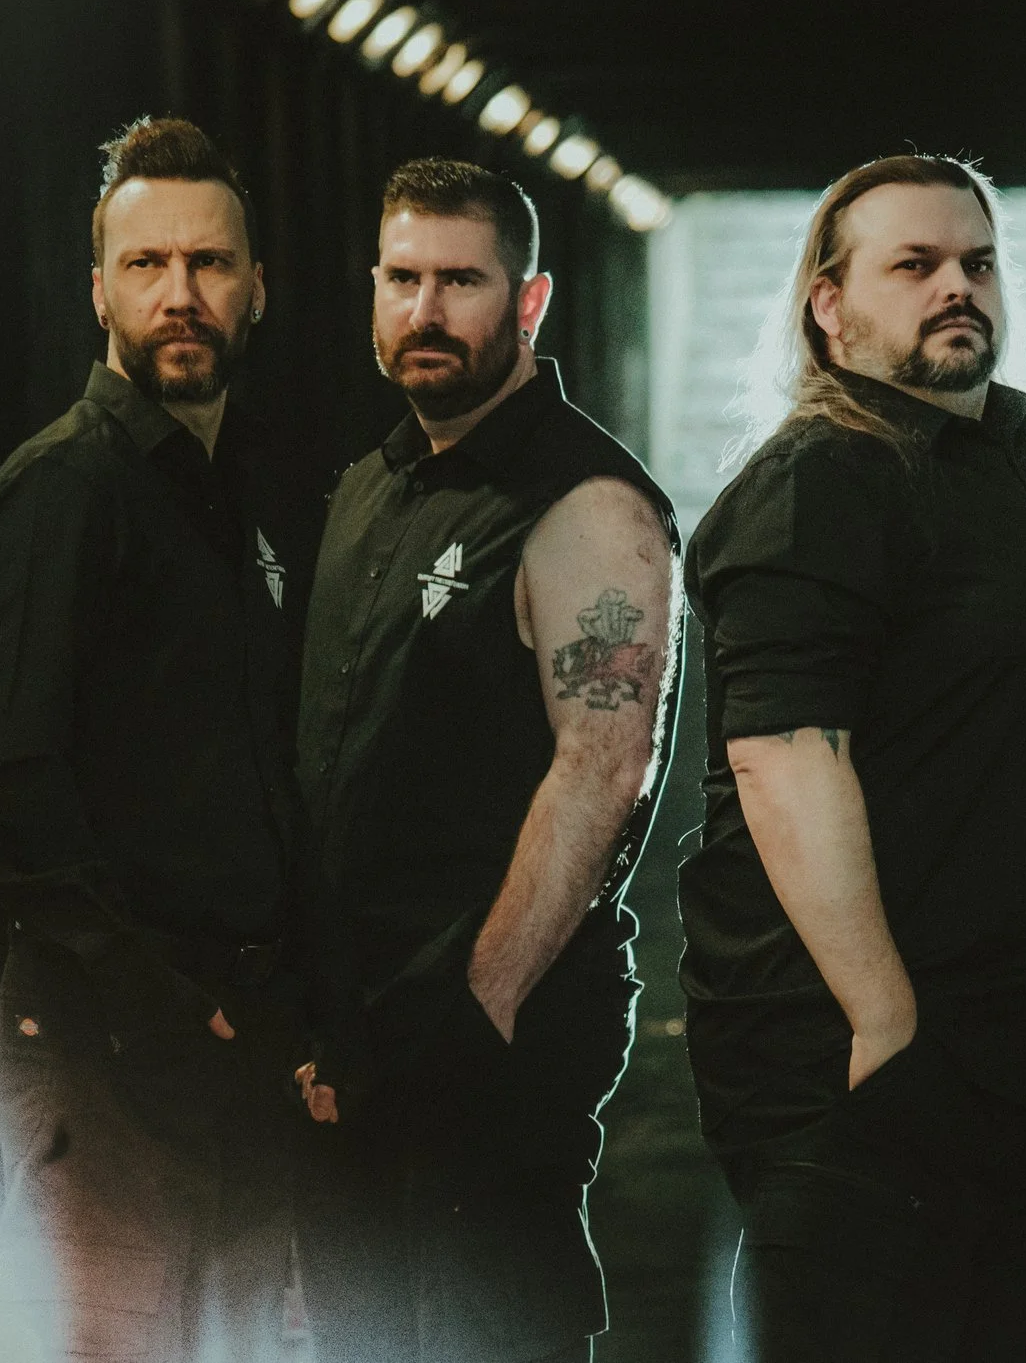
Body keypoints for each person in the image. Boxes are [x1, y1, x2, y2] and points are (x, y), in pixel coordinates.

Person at [678, 155, 1026, 1362]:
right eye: (915, 265)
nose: (958, 287)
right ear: (828, 307)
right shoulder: (821, 478)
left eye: (977, 263)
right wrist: (884, 1020)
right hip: (880, 1080)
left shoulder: (1025, 467)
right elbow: (783, 759)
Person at [289, 157, 679, 1363]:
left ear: (530, 301)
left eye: (461, 281)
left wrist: (480, 1005)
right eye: (401, 278)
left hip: (482, 1039)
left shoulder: (588, 504)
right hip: (356, 1039)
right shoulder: (372, 485)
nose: (425, 310)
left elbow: (604, 767)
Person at [0, 115, 307, 1363]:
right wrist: (154, 1004)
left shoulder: (241, 494)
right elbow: (5, 783)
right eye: (147, 264)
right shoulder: (66, 488)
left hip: (236, 1032)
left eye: (209, 263)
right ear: (99, 290)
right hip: (110, 1035)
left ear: (256, 288)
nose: (179, 294)